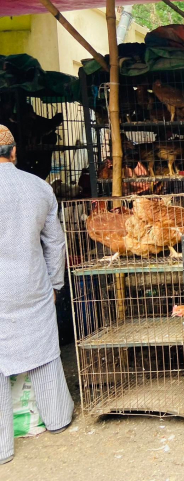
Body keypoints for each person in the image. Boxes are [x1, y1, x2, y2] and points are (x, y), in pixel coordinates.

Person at [0, 125, 73, 465]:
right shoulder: (38, 188)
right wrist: (55, 284)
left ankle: (2, 447)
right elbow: (55, 243)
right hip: (32, 284)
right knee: (44, 349)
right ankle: (57, 418)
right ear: (14, 153)